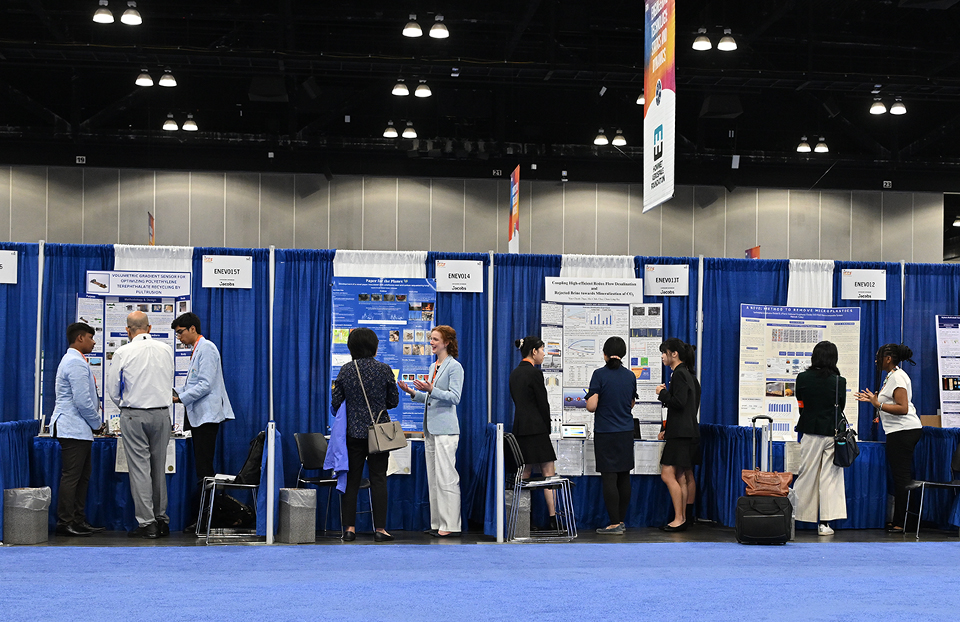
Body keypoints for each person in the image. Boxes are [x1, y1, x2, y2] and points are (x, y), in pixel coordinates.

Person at [106, 311, 175, 539]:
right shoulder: (166, 349)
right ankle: (162, 520)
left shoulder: (123, 351)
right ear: (150, 327)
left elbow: (113, 388)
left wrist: (125, 405)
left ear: (128, 330)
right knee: (159, 468)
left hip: (134, 415)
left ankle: (147, 524)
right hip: (162, 414)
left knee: (139, 470)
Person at [331, 327, 399, 542]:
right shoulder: (384, 369)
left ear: (351, 347)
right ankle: (380, 530)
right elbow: (393, 402)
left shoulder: (345, 371)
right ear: (374, 346)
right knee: (379, 479)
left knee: (352, 481)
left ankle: (349, 529)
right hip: (379, 433)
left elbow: (335, 403)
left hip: (353, 433)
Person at [170, 312, 236, 535]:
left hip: (206, 416)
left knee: (205, 470)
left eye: (180, 332)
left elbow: (206, 385)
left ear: (192, 329)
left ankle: (206, 519)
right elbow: (194, 383)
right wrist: (175, 392)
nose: (178, 337)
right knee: (202, 469)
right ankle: (203, 517)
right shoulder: (196, 350)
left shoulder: (206, 348)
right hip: (198, 415)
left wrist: (180, 397)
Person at [399, 325, 464, 537]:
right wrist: (413, 392)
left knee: (447, 477)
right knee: (434, 478)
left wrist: (431, 390)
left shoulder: (455, 367)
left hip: (446, 430)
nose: (431, 343)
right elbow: (430, 397)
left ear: (447, 342)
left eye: (435, 339)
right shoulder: (433, 366)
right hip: (431, 429)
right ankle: (438, 523)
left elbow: (455, 397)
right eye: (431, 339)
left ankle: (451, 524)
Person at [855, 343, 922, 534]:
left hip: (904, 431)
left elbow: (903, 408)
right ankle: (900, 520)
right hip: (899, 431)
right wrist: (876, 404)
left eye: (879, 356)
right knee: (899, 476)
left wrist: (879, 405)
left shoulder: (898, 377)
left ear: (888, 358)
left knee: (901, 478)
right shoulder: (892, 376)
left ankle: (901, 522)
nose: (876, 360)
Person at [50, 322, 105, 537]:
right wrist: (97, 423)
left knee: (82, 477)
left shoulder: (76, 360)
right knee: (72, 477)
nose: (93, 342)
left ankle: (78, 519)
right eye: (91, 338)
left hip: (79, 429)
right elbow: (82, 401)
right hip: (73, 427)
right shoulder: (75, 362)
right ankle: (65, 522)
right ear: (80, 338)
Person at [793, 341, 848, 536]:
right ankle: (824, 524)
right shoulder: (838, 381)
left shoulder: (802, 378)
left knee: (806, 475)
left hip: (809, 431)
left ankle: (795, 518)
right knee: (830, 479)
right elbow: (840, 406)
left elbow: (800, 402)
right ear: (834, 358)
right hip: (833, 434)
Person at [585, 336, 638, 535]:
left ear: (605, 354)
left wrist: (591, 397)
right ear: (623, 354)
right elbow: (631, 403)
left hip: (606, 432)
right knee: (624, 476)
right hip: (625, 432)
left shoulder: (599, 375)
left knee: (609, 477)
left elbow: (592, 406)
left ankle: (614, 523)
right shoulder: (630, 376)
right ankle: (622, 521)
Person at [509, 335, 559, 530]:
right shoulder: (534, 374)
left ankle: (522, 521)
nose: (544, 354)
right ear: (534, 351)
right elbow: (542, 404)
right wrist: (547, 428)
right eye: (543, 350)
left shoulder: (514, 374)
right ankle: (554, 519)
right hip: (537, 429)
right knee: (549, 473)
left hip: (520, 429)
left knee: (524, 473)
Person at [655, 338, 701, 532]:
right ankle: (682, 518)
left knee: (667, 474)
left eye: (664, 353)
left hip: (681, 434)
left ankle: (679, 518)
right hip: (685, 431)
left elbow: (679, 402)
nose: (663, 357)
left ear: (674, 354)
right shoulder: (689, 375)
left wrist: (662, 394)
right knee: (681, 475)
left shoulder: (680, 374)